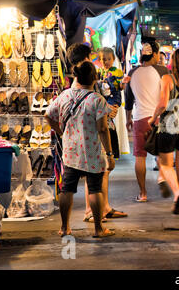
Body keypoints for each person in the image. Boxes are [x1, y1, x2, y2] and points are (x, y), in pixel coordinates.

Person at [45, 61, 115, 238]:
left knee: (66, 189)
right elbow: (103, 129)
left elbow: (47, 115)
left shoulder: (65, 95)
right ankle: (99, 229)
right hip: (91, 152)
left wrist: (60, 131)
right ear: (94, 78)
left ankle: (64, 227)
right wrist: (110, 154)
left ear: (76, 76)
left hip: (70, 151)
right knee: (94, 189)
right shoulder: (97, 100)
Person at [67, 43, 127, 221]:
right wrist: (107, 108)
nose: (93, 58)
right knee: (93, 171)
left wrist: (109, 107)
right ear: (83, 59)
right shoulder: (80, 80)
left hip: (103, 125)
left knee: (104, 170)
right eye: (89, 56)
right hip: (94, 130)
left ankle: (104, 207)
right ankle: (91, 210)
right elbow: (90, 102)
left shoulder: (92, 75)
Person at [149, 48, 179, 214]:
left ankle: (177, 194)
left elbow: (163, 104)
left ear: (174, 62)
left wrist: (152, 118)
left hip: (169, 125)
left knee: (165, 164)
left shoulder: (167, 78)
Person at [125, 37, 170, 202]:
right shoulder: (163, 71)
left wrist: (128, 118)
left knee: (140, 156)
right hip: (159, 118)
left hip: (140, 119)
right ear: (156, 54)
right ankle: (163, 177)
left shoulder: (132, 73)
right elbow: (169, 97)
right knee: (161, 153)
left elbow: (128, 99)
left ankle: (143, 193)